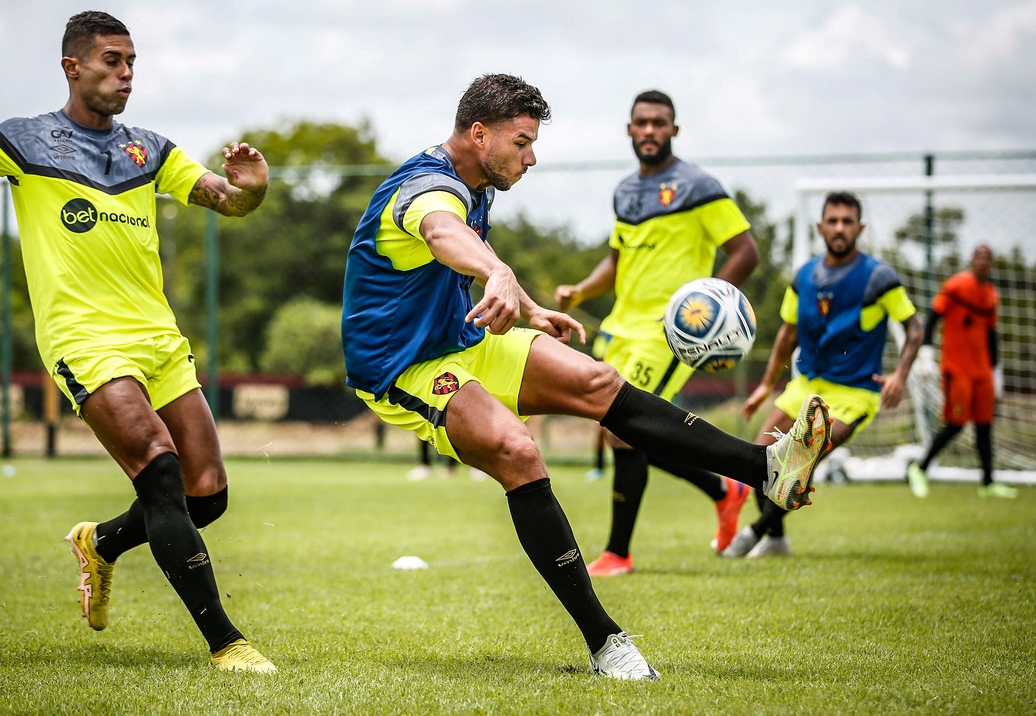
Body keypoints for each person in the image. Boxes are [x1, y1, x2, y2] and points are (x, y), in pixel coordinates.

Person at [341, 73, 833, 680]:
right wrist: (498, 276)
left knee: (600, 383)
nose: (531, 156)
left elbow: (468, 252)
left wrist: (526, 304)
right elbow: (445, 234)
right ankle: (606, 643)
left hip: (460, 340)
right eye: (521, 142)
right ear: (478, 134)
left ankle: (768, 471)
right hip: (401, 366)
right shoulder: (426, 189)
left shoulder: (475, 182)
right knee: (516, 448)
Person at [0, 11, 275, 672]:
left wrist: (252, 191)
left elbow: (227, 201)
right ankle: (227, 642)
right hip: (84, 340)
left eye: (131, 62)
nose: (125, 74)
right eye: (111, 60)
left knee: (207, 494)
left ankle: (101, 541)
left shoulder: (150, 150)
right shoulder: (20, 141)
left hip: (158, 339)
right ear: (72, 66)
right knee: (159, 469)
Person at [554, 90, 759, 576]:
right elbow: (618, 260)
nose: (649, 131)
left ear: (674, 130)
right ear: (630, 130)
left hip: (665, 332)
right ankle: (724, 488)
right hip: (619, 327)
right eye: (641, 123)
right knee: (618, 431)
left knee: (625, 432)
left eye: (659, 123)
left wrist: (708, 307)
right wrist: (581, 291)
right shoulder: (625, 191)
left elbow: (745, 251)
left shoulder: (698, 186)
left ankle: (617, 553)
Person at [731, 191, 922, 558]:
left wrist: (900, 374)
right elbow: (787, 334)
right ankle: (776, 540)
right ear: (820, 227)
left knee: (802, 456)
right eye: (832, 221)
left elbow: (914, 328)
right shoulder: (804, 276)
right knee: (759, 458)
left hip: (854, 393)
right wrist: (766, 386)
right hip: (805, 385)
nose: (839, 228)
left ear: (859, 228)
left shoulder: (878, 277)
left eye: (847, 222)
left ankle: (753, 533)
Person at [908, 245, 1017, 499]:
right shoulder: (956, 286)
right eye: (978, 257)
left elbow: (991, 336)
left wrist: (996, 371)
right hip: (957, 368)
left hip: (982, 371)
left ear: (991, 263)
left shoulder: (991, 295)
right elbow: (933, 318)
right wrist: (926, 352)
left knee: (984, 425)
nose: (982, 262)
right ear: (971, 260)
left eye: (987, 258)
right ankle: (919, 469)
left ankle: (988, 483)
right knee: (956, 424)